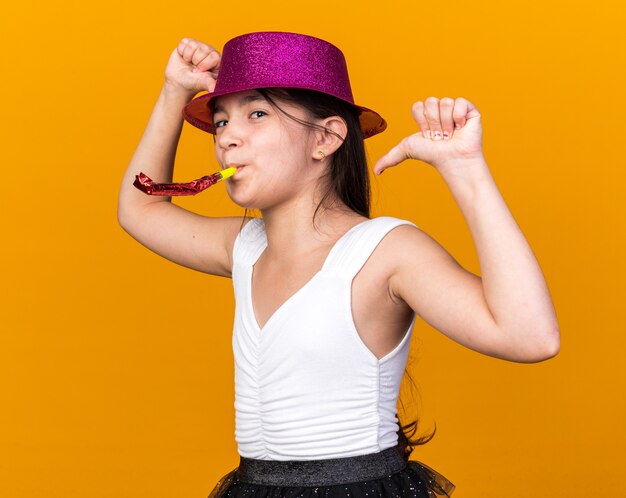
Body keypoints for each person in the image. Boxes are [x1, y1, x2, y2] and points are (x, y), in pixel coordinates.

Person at [117, 31, 560, 497]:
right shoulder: (245, 247)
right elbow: (139, 209)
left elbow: (529, 336)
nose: (227, 138)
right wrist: (174, 92)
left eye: (258, 113)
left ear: (326, 138)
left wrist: (465, 169)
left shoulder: (385, 251)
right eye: (221, 121)